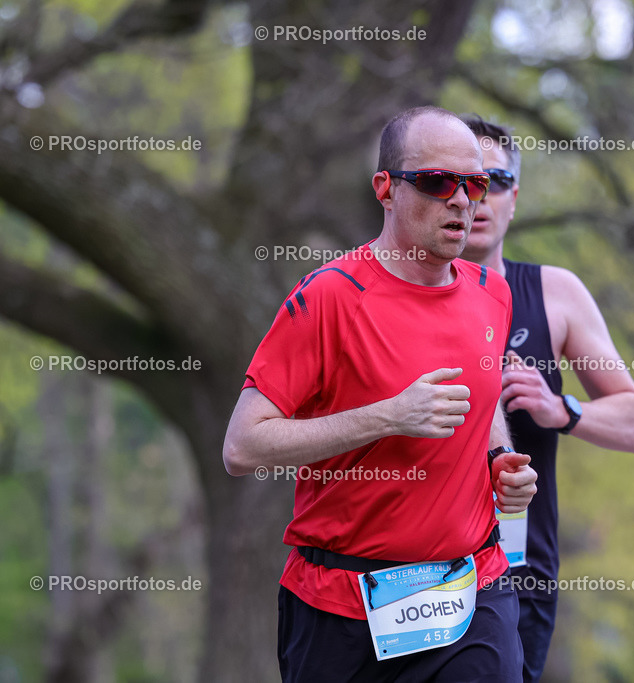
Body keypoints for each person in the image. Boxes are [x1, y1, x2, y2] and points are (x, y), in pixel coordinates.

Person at [222, 106, 538, 682]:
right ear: (385, 189)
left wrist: (498, 459)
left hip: (470, 590)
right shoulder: (329, 298)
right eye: (438, 182)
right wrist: (389, 416)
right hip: (341, 604)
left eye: (476, 183)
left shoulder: (491, 293)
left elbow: (482, 388)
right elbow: (243, 447)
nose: (463, 200)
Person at [460, 116, 634, 682]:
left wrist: (560, 408)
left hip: (520, 569)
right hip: (418, 567)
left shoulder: (554, 293)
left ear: (514, 198)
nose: (480, 196)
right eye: (464, 180)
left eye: (495, 181)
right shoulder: (398, 295)